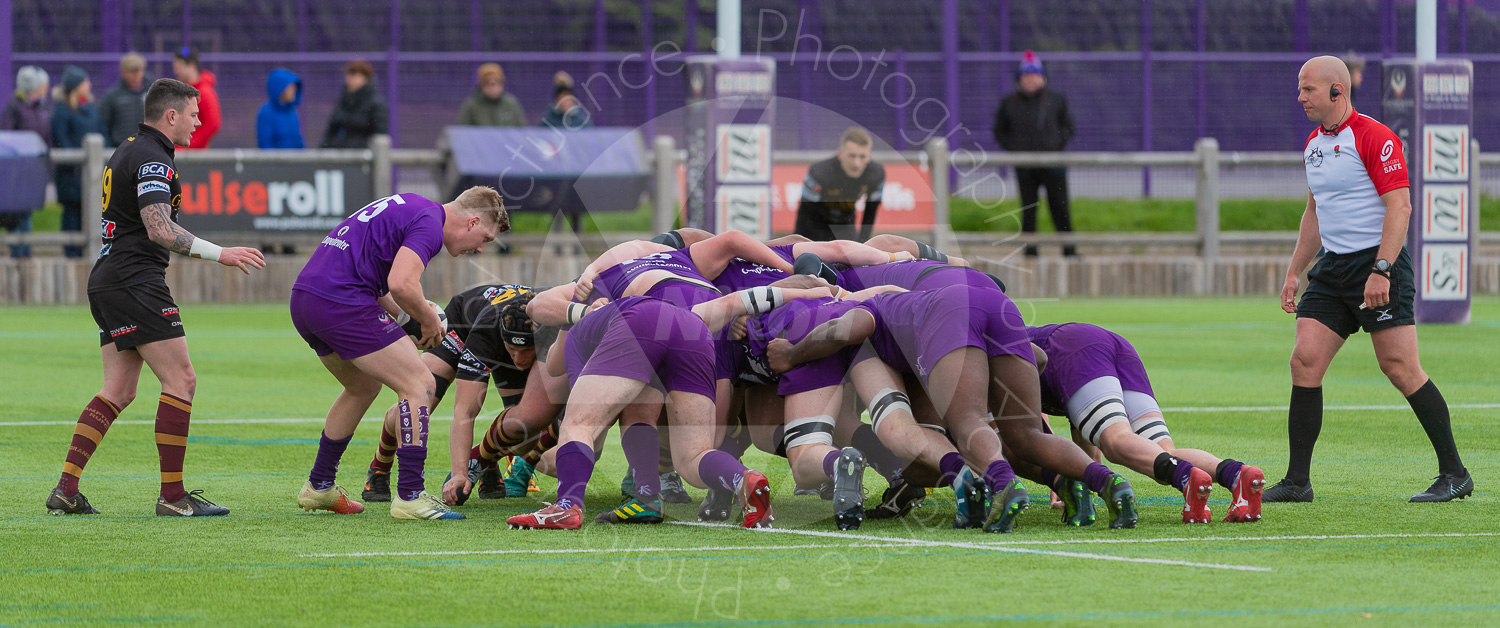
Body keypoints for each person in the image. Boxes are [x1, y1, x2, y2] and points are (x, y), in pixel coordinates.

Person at [45, 78, 267, 517]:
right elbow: (158, 228)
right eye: (193, 113)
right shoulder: (151, 158)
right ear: (171, 115)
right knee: (181, 381)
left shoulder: (130, 146)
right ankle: (173, 497)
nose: (198, 121)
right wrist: (220, 253)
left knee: (119, 390)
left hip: (109, 279)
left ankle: (66, 490)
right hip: (133, 280)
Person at [1268, 56, 1472, 504]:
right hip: (1332, 270)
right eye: (1300, 88)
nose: (1300, 97)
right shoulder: (1313, 145)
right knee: (1304, 361)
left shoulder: (1374, 137)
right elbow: (1314, 213)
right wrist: (1293, 272)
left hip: (1379, 266)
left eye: (1308, 89)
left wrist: (1382, 267)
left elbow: (1400, 207)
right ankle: (1298, 482)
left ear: (1337, 91)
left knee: (1399, 368)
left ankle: (1455, 474)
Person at [289, 187, 507, 520]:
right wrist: (429, 319)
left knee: (362, 387)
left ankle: (319, 486)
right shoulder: (432, 223)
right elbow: (403, 284)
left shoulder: (412, 205)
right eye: (485, 239)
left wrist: (406, 320)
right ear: (472, 221)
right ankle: (410, 496)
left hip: (307, 297)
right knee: (420, 383)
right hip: (341, 301)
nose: (480, 248)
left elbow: (377, 281)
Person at [1027, 322, 1266, 524]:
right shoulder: (1013, 334)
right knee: (1164, 452)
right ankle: (1237, 474)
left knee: (1116, 440)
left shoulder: (998, 351)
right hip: (1111, 344)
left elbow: (1033, 428)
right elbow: (1080, 428)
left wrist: (1058, 478)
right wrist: (1081, 477)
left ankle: (1185, 477)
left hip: (1075, 349)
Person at [356, 283, 540, 505]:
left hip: (505, 334)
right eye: (513, 352)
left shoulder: (550, 325)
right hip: (461, 326)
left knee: (525, 428)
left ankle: (483, 457)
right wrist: (459, 473)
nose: (519, 359)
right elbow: (464, 411)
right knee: (420, 401)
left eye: (526, 352)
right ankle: (380, 466)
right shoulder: (486, 335)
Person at [993, 50, 1076, 257]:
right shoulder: (1009, 102)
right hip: (1025, 167)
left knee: (1060, 208)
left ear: (1043, 77)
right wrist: (1014, 149)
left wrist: (1055, 145)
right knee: (1028, 210)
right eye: (1027, 76)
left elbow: (1069, 127)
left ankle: (1069, 250)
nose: (1031, 80)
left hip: (1054, 165)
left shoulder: (1056, 100)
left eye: (1035, 76)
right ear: (1020, 79)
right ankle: (1030, 252)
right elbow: (999, 131)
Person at [795, 127, 885, 243]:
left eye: (862, 156)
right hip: (816, 224)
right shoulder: (819, 173)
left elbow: (870, 213)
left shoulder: (876, 174)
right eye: (852, 156)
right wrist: (798, 244)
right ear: (840, 154)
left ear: (869, 156)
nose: (857, 163)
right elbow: (805, 213)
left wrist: (863, 244)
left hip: (845, 224)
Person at [51, 66, 100, 259]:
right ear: (75, 86)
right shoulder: (62, 112)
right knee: (72, 215)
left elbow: (100, 132)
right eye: (84, 82)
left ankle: (89, 254)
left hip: (91, 174)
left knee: (90, 213)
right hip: (71, 176)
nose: (89, 85)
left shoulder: (90, 109)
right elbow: (61, 140)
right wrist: (78, 165)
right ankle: (72, 255)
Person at [1, 66, 50, 258]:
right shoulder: (13, 108)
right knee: (16, 213)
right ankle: (18, 253)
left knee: (27, 212)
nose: (46, 87)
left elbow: (46, 138)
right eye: (43, 84)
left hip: (34, 169)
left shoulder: (41, 107)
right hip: (17, 171)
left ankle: (25, 252)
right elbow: (8, 140)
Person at [321, 60, 388, 149]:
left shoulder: (376, 104)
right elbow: (330, 131)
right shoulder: (343, 102)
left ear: (365, 78)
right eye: (348, 74)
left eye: (354, 75)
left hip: (366, 158)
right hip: (343, 158)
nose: (349, 79)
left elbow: (379, 135)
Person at [98, 53, 150, 147]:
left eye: (139, 70)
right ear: (123, 72)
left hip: (147, 147)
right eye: (132, 71)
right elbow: (103, 125)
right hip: (121, 148)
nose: (137, 75)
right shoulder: (112, 97)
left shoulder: (153, 94)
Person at [171, 48, 219, 149]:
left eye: (179, 67)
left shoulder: (204, 92)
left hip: (194, 157)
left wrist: (190, 145)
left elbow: (213, 124)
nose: (176, 71)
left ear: (192, 66)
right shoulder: (182, 90)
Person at [457, 63, 526, 127]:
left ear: (502, 84)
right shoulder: (471, 106)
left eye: (496, 82)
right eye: (487, 83)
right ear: (481, 86)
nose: (492, 87)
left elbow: (522, 131)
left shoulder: (511, 104)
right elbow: (463, 131)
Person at [256, 68, 304, 149]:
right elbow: (265, 144)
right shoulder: (266, 113)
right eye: (290, 88)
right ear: (280, 88)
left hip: (294, 161)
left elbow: (298, 141)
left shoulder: (292, 112)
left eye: (294, 88)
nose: (293, 91)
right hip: (276, 161)